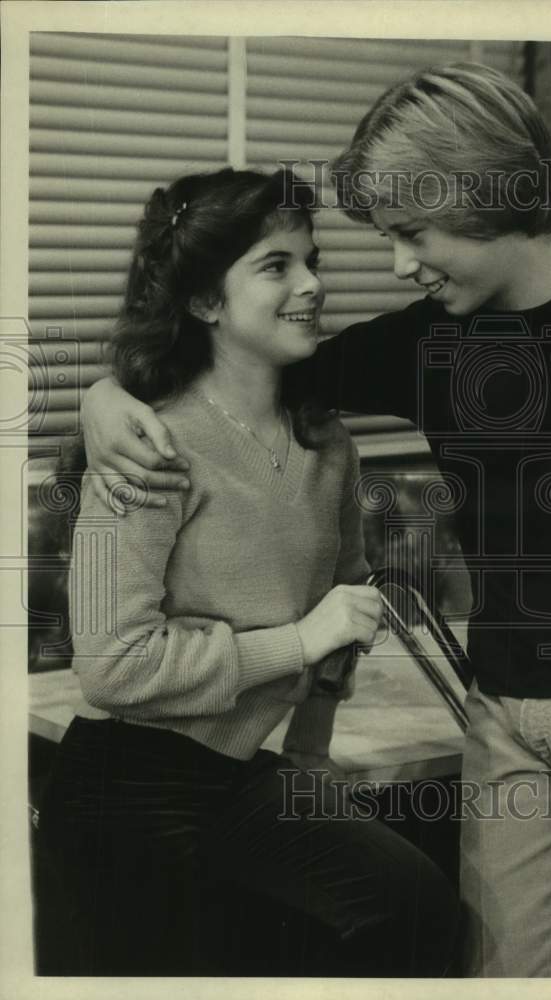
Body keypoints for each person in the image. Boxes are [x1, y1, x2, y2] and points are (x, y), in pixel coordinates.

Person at [79, 65, 551, 978]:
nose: (397, 264)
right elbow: (216, 363)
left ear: (480, 195)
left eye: (411, 233)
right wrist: (103, 398)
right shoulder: (426, 343)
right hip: (499, 718)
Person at [37, 166, 459, 977]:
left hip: (238, 782)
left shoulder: (329, 443)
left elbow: (349, 606)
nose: (311, 286)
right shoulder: (137, 445)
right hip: (120, 794)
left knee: (416, 908)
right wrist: (296, 641)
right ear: (204, 302)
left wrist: (309, 756)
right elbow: (108, 666)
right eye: (276, 266)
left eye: (312, 261)